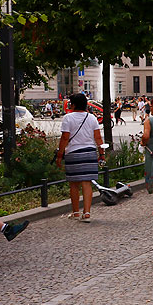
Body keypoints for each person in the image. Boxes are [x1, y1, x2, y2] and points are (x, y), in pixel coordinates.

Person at [56, 92, 104, 222]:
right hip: (89, 152)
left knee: (74, 184)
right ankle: (87, 213)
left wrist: (60, 155)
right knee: (87, 183)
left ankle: (76, 212)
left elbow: (65, 137)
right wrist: (102, 153)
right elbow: (98, 137)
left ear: (74, 104)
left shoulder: (68, 118)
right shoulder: (92, 118)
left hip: (73, 153)